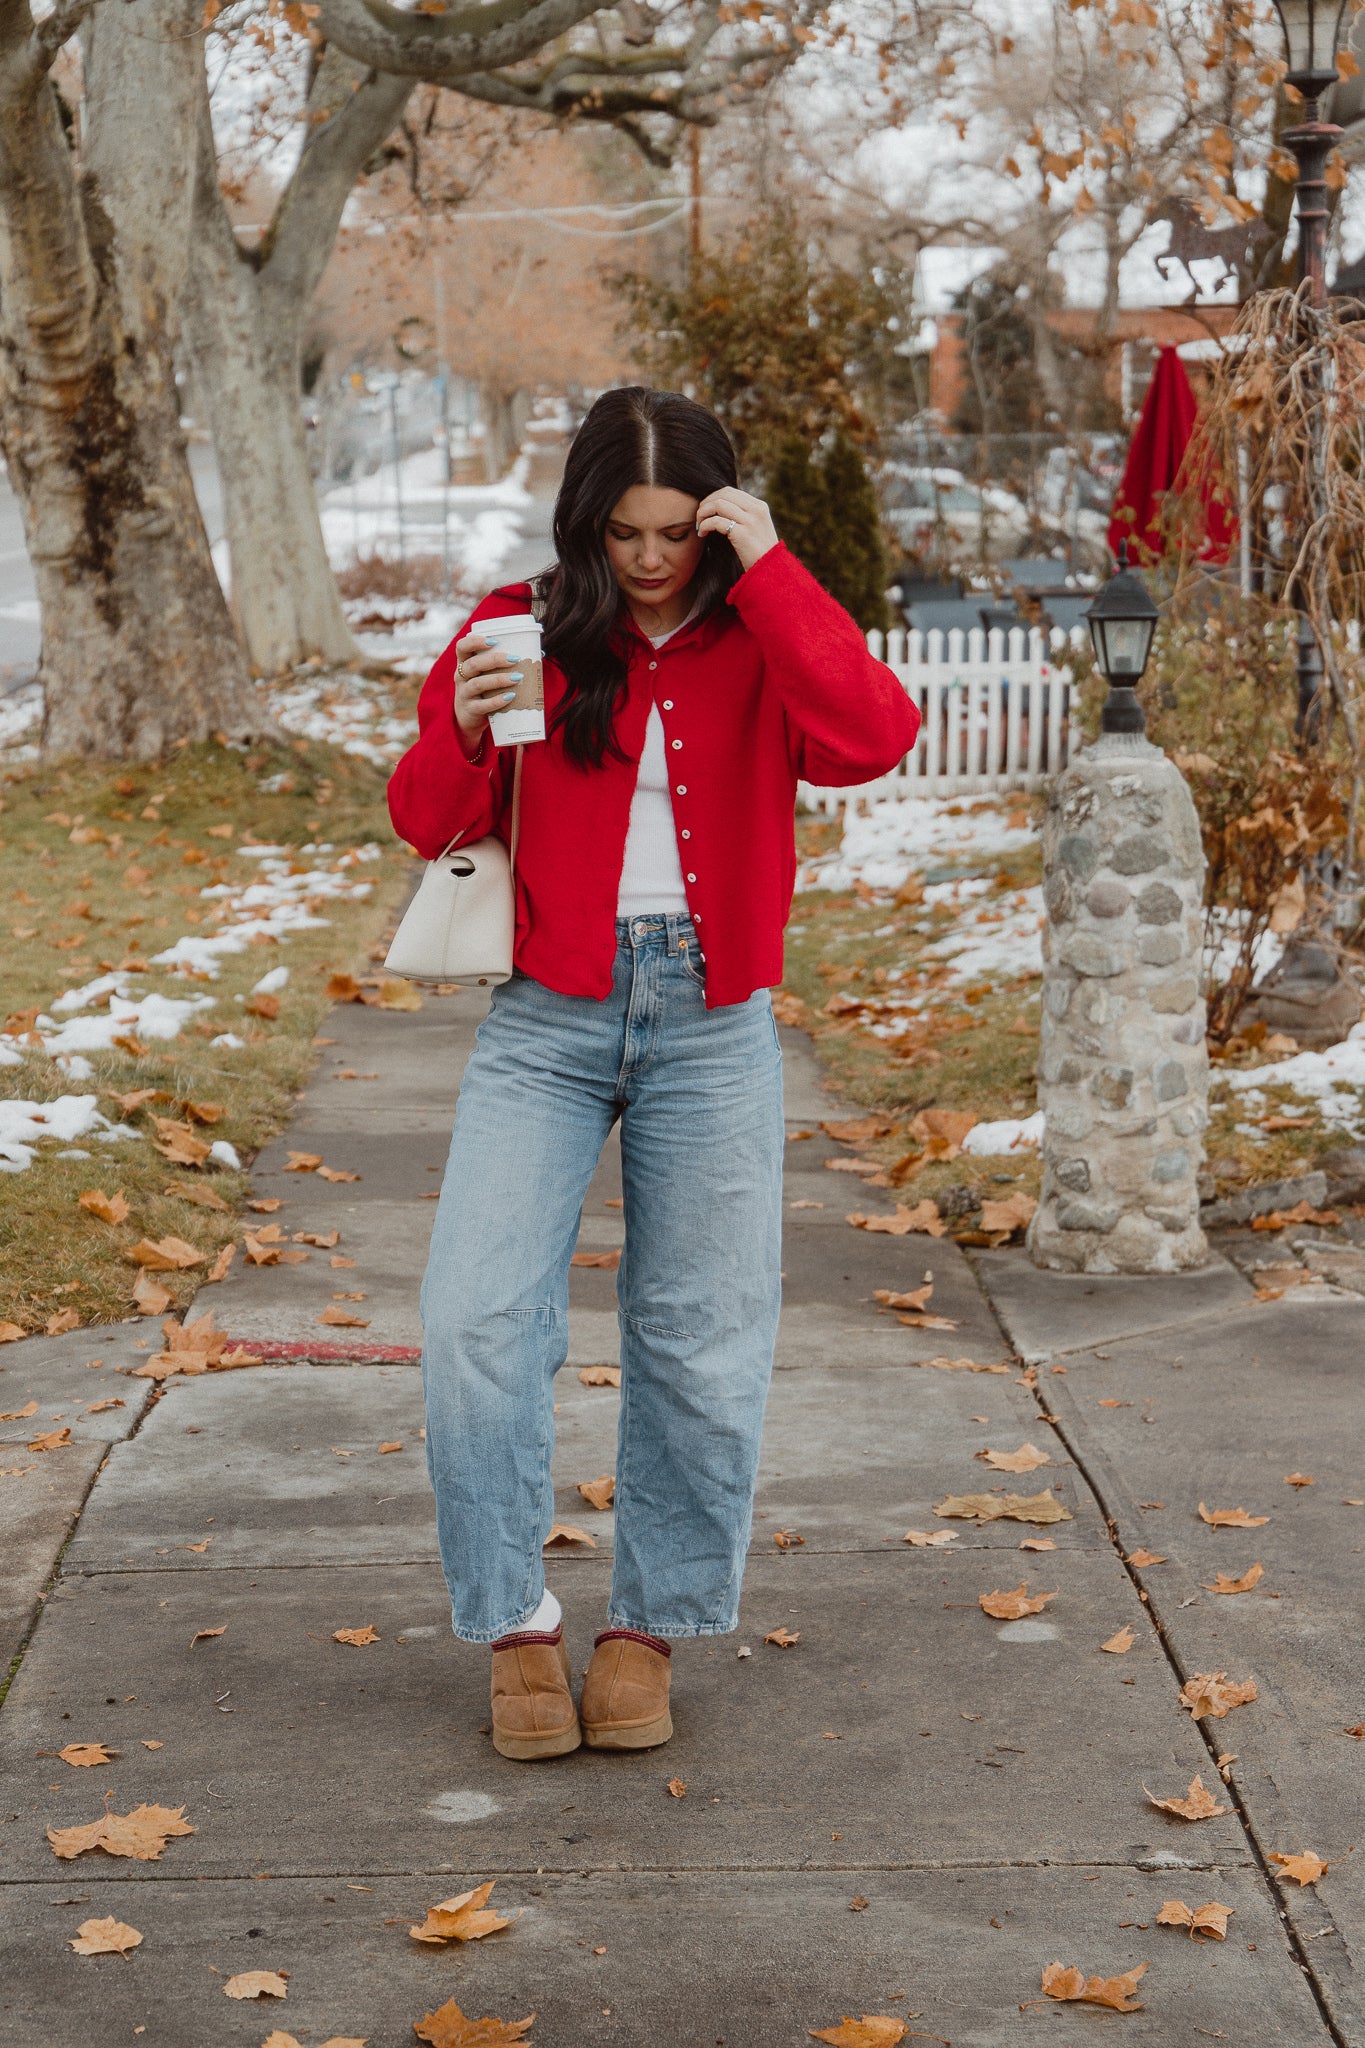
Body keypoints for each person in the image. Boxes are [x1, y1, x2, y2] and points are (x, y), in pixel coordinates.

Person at [387, 386, 920, 1762]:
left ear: (714, 517)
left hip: (710, 1020)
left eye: (676, 530)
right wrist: (462, 717)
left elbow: (870, 738)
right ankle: (514, 1625)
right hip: (545, 1021)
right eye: (620, 531)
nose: (645, 558)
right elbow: (420, 818)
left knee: (699, 1338)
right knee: (474, 1323)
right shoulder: (524, 620)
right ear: (585, 522)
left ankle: (646, 1630)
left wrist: (774, 566)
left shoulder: (759, 628)